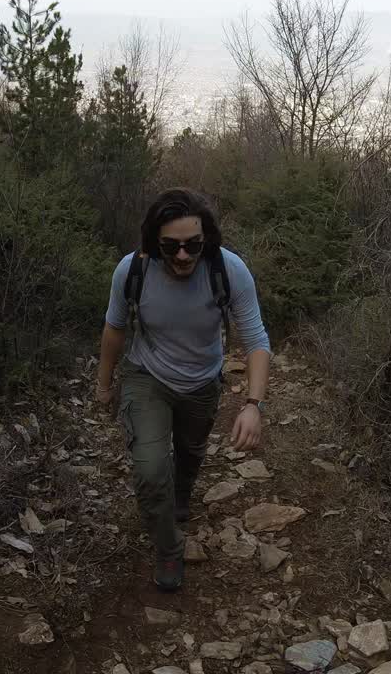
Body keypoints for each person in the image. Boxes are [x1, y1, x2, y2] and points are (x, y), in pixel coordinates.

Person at [95, 187, 272, 592]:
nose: (182, 255)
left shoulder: (229, 270)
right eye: (170, 246)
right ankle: (168, 548)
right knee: (150, 469)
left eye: (193, 245)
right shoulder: (132, 271)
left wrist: (253, 404)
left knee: (190, 454)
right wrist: (104, 385)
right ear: (153, 242)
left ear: (206, 239)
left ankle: (179, 498)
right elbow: (114, 328)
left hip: (202, 382)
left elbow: (256, 339)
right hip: (147, 376)